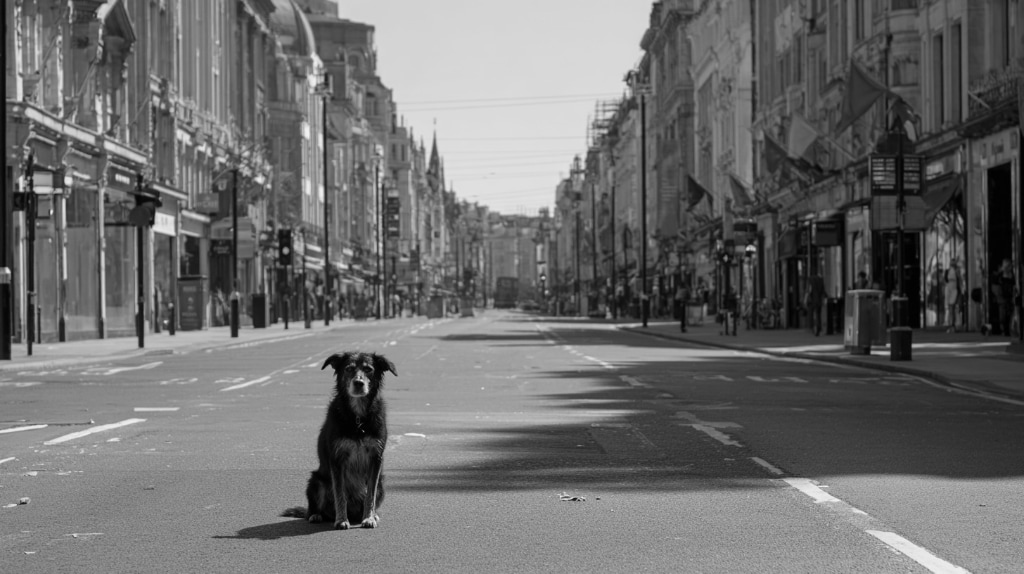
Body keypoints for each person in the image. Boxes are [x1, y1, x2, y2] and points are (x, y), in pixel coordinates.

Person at [995, 258, 1016, 336]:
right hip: (1002, 297)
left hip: (1010, 297)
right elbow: (996, 285)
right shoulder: (1000, 276)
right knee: (1002, 316)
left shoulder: (1012, 275)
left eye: (1008, 265)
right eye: (1005, 265)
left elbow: (1014, 285)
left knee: (1009, 314)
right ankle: (1004, 330)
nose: (1007, 267)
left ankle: (1008, 330)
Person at [804, 271, 826, 336]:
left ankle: (812, 327)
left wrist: (805, 299)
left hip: (812, 300)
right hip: (818, 300)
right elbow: (823, 291)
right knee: (818, 314)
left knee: (811, 313)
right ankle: (818, 328)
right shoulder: (821, 280)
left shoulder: (810, 280)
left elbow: (808, 290)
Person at [944, 263, 961, 332]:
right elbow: (946, 279)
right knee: (951, 308)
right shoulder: (948, 271)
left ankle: (953, 324)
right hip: (950, 289)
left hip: (954, 290)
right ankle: (951, 324)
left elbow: (959, 281)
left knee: (953, 308)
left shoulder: (957, 271)